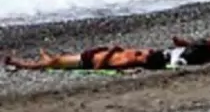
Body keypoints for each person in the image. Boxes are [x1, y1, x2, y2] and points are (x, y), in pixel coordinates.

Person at [6, 45, 170, 71]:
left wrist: (111, 51)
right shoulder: (142, 53)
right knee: (57, 59)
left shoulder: (128, 61)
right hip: (93, 52)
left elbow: (99, 67)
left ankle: (18, 63)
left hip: (86, 60)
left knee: (52, 63)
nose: (147, 52)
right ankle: (44, 55)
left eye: (148, 55)